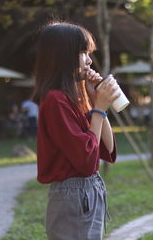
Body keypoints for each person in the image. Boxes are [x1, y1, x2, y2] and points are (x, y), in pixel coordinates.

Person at [31, 22, 120, 240]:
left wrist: (94, 101)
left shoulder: (74, 99)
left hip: (90, 189)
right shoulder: (55, 100)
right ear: (62, 56)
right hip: (72, 195)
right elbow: (85, 159)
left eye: (88, 53)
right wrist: (98, 108)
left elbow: (107, 149)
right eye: (82, 53)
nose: (89, 60)